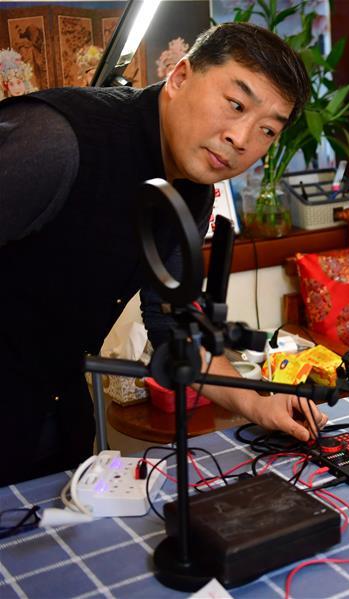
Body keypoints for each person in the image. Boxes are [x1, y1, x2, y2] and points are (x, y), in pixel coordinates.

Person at [0, 23, 327, 486]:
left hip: (54, 419)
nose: (241, 138)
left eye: (267, 130)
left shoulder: (192, 192)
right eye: (236, 105)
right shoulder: (56, 142)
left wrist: (257, 401)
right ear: (179, 77)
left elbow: (176, 328)